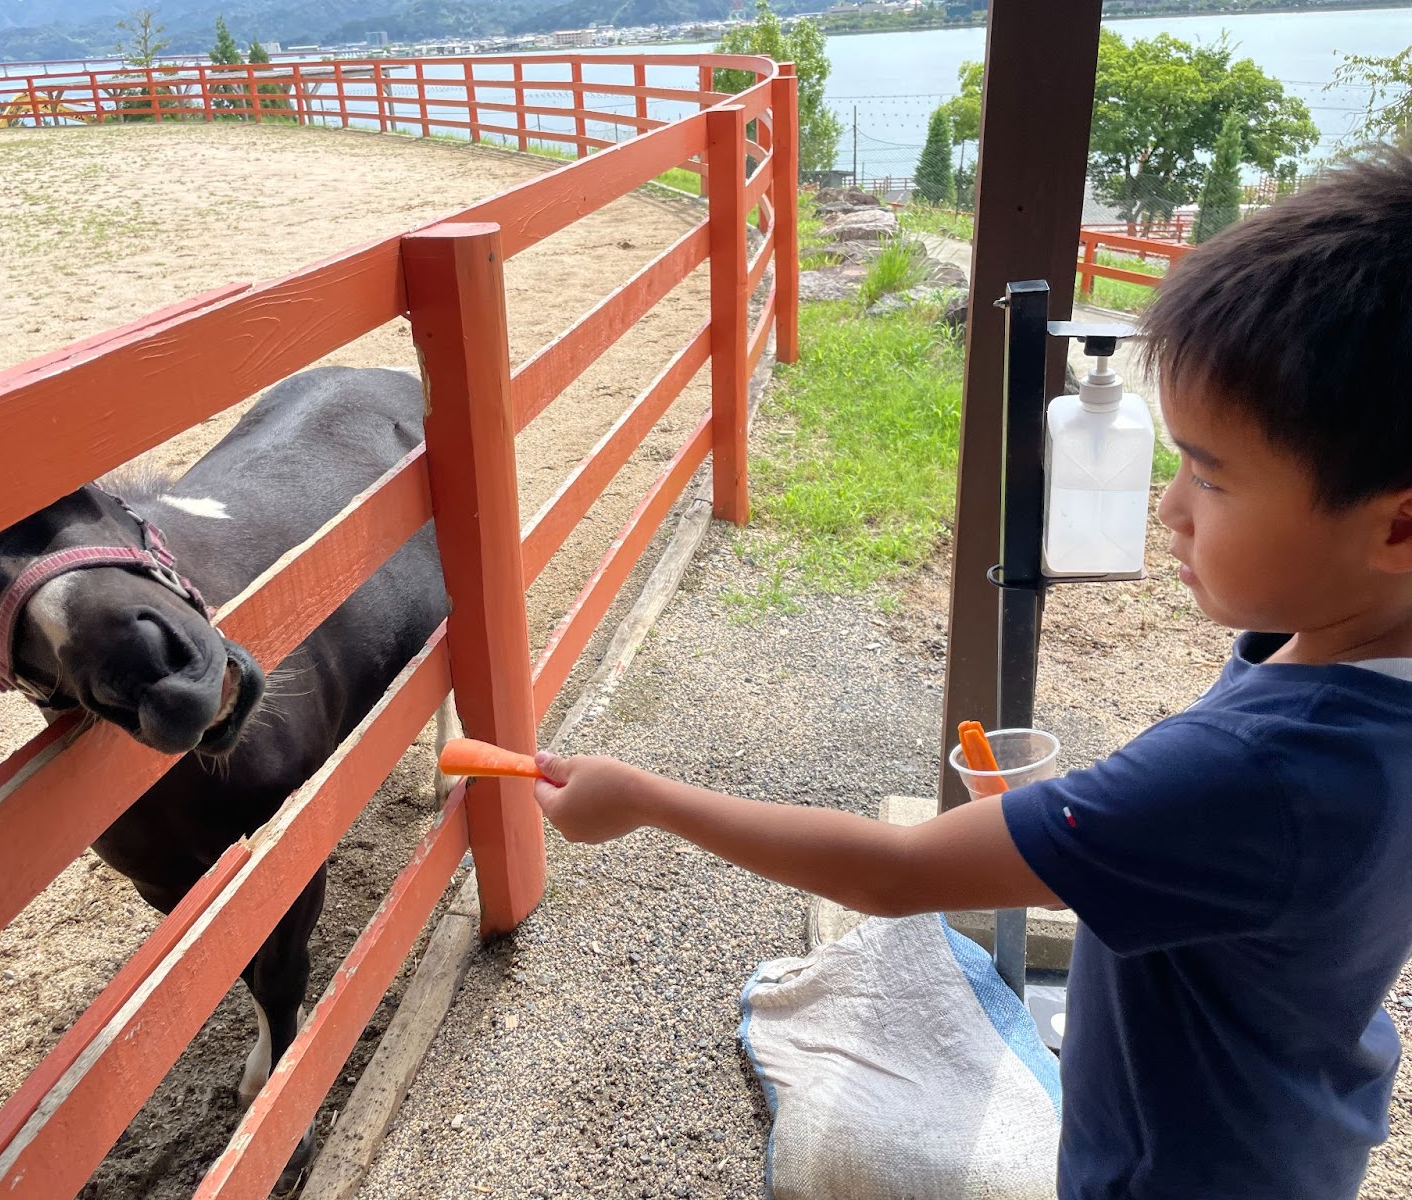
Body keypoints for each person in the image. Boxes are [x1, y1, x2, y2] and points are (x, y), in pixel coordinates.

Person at [530, 147, 1412, 1199]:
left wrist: (642, 799)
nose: (1169, 508)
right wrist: (1086, 831)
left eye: (1210, 478)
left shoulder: (1252, 772)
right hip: (1296, 1121)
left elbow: (892, 874)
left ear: (1397, 521)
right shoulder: (1341, 662)